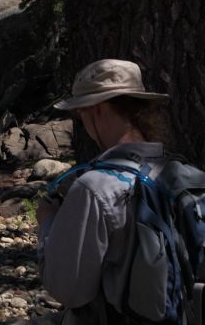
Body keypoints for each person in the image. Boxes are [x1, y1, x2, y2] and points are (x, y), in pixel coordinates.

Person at [34, 59, 170, 325]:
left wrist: (48, 222)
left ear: (96, 111)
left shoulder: (93, 188)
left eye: (80, 114)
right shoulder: (185, 174)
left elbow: (67, 290)